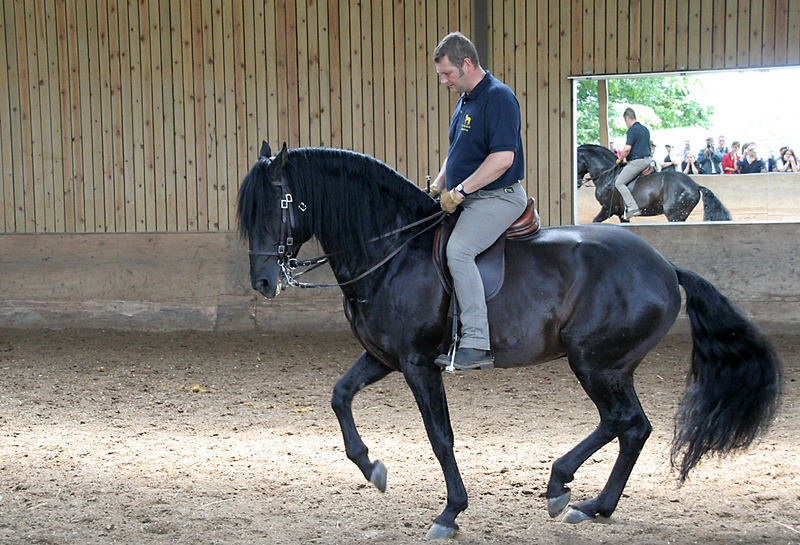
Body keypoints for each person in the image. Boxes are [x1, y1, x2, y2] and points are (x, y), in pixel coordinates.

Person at [429, 31, 528, 371]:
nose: (443, 81)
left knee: (459, 250)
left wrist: (459, 192)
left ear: (467, 64)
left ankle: (475, 343)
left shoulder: (499, 98)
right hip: (469, 195)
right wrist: (438, 187)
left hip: (497, 197)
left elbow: (502, 159)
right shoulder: (466, 99)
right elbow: (457, 153)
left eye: (447, 74)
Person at [614, 107, 652, 219]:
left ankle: (632, 208)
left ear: (627, 118)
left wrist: (619, 159)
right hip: (648, 160)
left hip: (638, 161)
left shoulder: (632, 130)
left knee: (619, 182)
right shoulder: (645, 129)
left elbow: (627, 149)